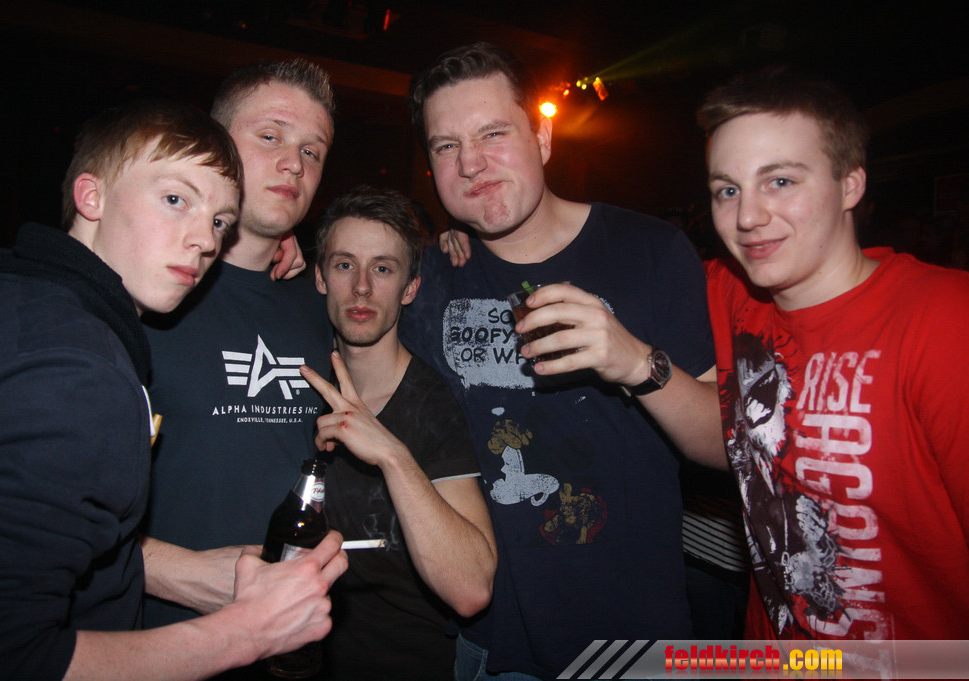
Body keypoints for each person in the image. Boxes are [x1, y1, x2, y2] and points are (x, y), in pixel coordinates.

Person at [0, 100, 346, 681]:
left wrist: (171, 572)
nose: (203, 240)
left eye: (219, 221)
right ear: (92, 196)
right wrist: (247, 632)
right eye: (176, 200)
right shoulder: (74, 374)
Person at [401, 43, 725, 680]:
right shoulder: (427, 278)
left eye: (493, 133)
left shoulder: (651, 249)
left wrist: (638, 364)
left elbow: (725, 444)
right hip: (491, 649)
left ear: (543, 137)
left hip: (634, 645)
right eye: (446, 146)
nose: (471, 163)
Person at [698, 67, 969, 656]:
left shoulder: (947, 320)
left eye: (780, 181)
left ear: (851, 185)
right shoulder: (732, 293)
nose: (748, 217)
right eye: (728, 190)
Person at [140, 61, 337, 646]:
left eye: (312, 151)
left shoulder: (322, 305)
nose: (294, 163)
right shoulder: (144, 294)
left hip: (285, 639)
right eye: (271, 136)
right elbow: (26, 516)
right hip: (145, 643)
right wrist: (174, 572)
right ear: (215, 145)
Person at [297, 185, 496, 680]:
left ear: (409, 288)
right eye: (345, 265)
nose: (362, 287)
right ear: (320, 277)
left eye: (383, 269)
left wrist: (391, 454)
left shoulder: (435, 405)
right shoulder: (292, 381)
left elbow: (472, 590)